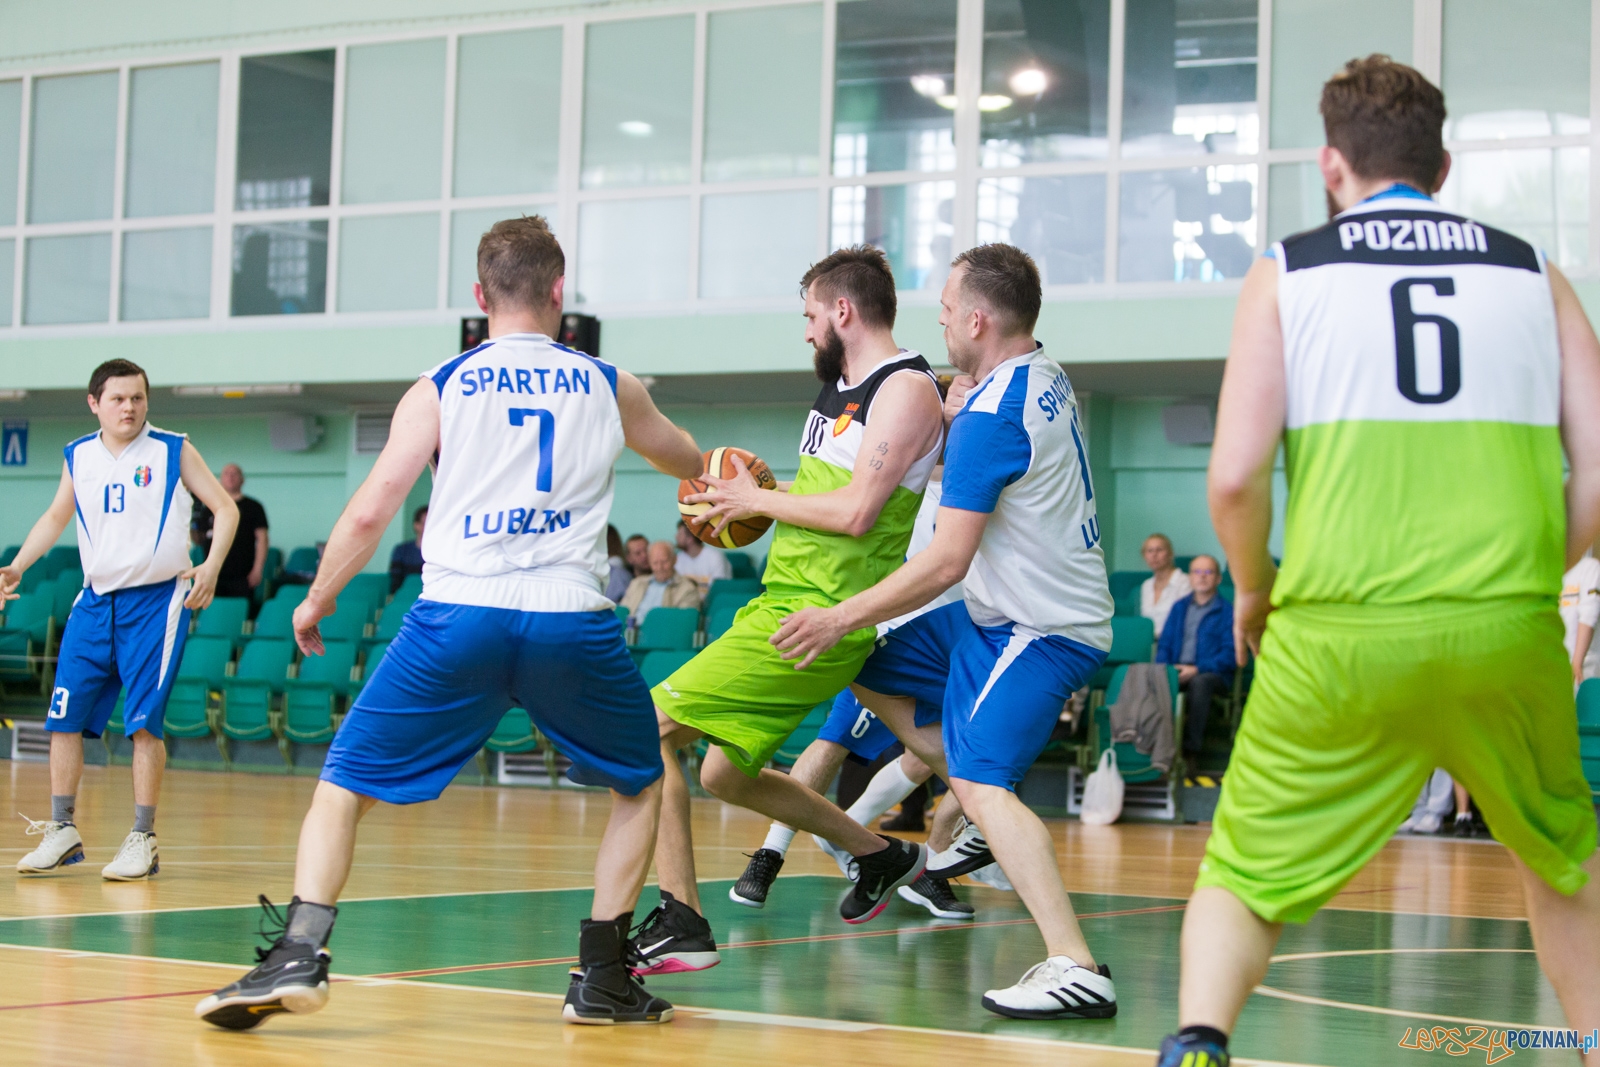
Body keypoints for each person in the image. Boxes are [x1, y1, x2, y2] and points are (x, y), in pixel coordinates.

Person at [1157, 57, 1600, 1067]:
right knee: (1562, 860)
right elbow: (1599, 463)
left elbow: (1233, 476)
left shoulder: (1288, 266)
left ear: (1329, 163)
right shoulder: (1535, 271)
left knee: (1242, 871)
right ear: (1441, 164)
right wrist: (1536, 571)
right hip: (1505, 630)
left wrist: (1255, 590)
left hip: (1336, 633)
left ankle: (1196, 1042)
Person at [194, 215, 704, 1030]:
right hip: (570, 619)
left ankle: (300, 948)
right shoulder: (611, 382)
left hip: (458, 613)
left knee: (342, 785)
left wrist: (317, 596)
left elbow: (371, 512)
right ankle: (601, 974)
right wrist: (727, 482)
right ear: (559, 294)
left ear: (479, 296)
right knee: (641, 785)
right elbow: (686, 459)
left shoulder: (443, 382)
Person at [772, 242, 1118, 1022]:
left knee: (984, 782)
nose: (939, 325)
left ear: (977, 318)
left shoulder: (992, 416)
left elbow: (946, 561)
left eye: (945, 312)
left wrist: (838, 611)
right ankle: (971, 802)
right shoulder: (1035, 375)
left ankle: (1076, 963)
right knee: (864, 659)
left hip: (1039, 627)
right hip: (998, 610)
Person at [630, 245, 945, 976]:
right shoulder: (842, 385)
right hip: (784, 604)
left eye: (810, 314)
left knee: (643, 730)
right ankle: (879, 853)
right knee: (722, 776)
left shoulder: (904, 388)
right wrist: (751, 499)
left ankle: (681, 917)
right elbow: (825, 498)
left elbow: (862, 510)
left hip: (820, 618)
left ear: (843, 310)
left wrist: (754, 499)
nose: (805, 331)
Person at [4, 359, 237, 881]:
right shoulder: (78, 455)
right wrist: (17, 566)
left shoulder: (173, 449)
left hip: (156, 602)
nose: (129, 407)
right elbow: (55, 517)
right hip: (94, 602)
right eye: (118, 399)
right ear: (94, 404)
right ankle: (62, 829)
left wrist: (212, 566)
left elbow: (226, 509)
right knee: (63, 718)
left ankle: (143, 837)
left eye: (137, 397)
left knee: (142, 725)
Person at [730, 465, 977, 921]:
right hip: (894, 631)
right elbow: (828, 492)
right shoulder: (913, 476)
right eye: (955, 391)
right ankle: (771, 852)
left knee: (936, 755)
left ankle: (924, 868)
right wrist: (753, 492)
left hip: (958, 637)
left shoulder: (983, 477)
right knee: (835, 740)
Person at [1154, 555, 1235, 772]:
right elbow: (1165, 645)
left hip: (1211, 674)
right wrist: (1165, 669)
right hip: (1177, 669)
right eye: (1197, 572)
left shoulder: (1228, 612)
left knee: (1200, 683)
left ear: (1218, 578)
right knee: (1154, 678)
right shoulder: (1179, 607)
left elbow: (1230, 654)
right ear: (1190, 577)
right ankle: (1155, 749)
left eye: (1208, 572)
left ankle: (1190, 751)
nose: (1202, 577)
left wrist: (1197, 669)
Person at [191, 462, 268, 601]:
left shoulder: (253, 507)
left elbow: (263, 539)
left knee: (240, 613)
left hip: (242, 574)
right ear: (220, 479)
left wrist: (257, 570)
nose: (230, 477)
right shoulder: (209, 506)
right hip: (213, 573)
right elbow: (198, 539)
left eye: (234, 474)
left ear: (242, 479)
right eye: (226, 474)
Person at [620, 540, 702, 621]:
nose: (660, 568)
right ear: (649, 562)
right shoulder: (637, 583)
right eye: (655, 563)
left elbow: (683, 624)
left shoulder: (688, 589)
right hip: (630, 631)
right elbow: (621, 613)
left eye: (664, 562)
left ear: (675, 560)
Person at [1560, 552, 1600, 685]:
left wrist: (1577, 662)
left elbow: (1589, 614)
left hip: (1584, 667)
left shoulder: (1590, 568)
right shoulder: (1550, 572)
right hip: (1555, 665)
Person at [1140, 533, 1191, 636]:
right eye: (1150, 551)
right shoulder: (1146, 585)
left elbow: (1186, 621)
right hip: (1148, 642)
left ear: (1170, 554)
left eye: (1159, 550)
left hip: (1173, 642)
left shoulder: (1185, 582)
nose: (1154, 555)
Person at [673, 520, 731, 587]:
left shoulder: (715, 557)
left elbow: (720, 588)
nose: (676, 537)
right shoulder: (679, 558)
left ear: (690, 539)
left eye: (680, 533)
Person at [387, 505, 427, 593]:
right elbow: (395, 580)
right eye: (425, 523)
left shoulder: (442, 553)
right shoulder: (401, 550)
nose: (428, 527)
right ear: (416, 525)